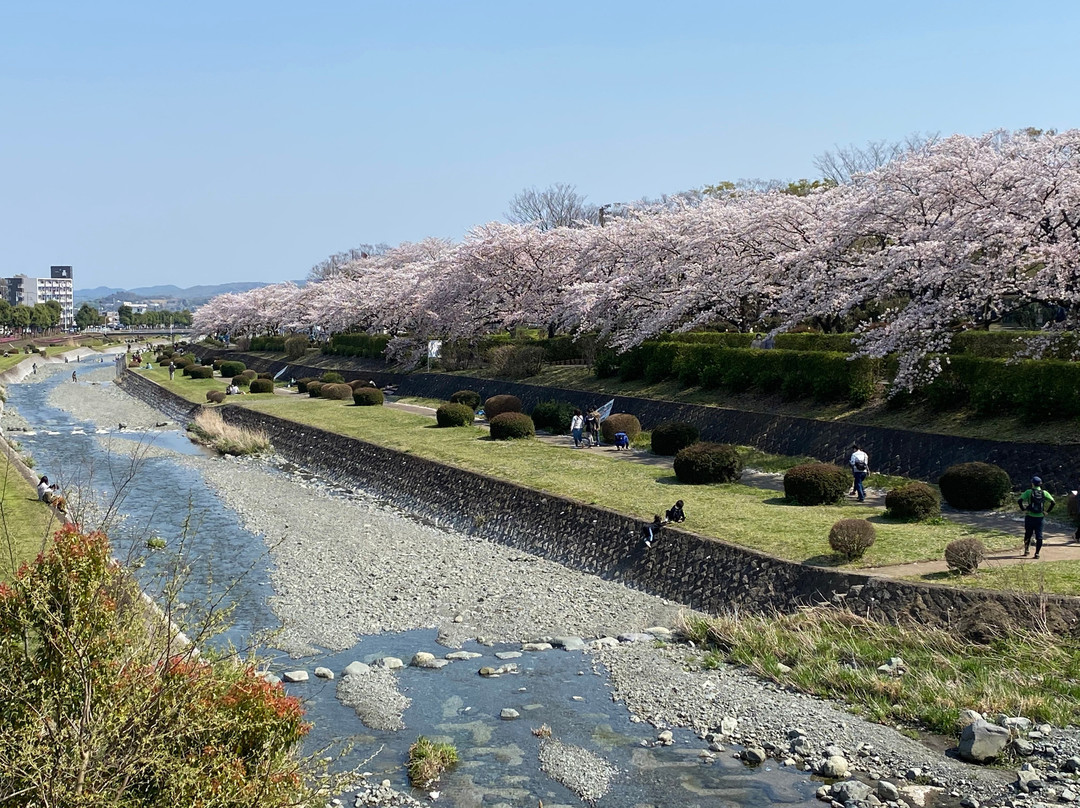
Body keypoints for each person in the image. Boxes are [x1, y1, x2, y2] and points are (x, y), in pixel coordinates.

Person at [1018, 476, 1055, 559]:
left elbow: (1019, 501)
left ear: (1032, 483)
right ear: (1040, 484)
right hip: (1040, 518)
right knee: (1039, 536)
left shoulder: (1028, 492)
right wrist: (1047, 512)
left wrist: (1023, 509)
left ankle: (1026, 550)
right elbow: (1053, 502)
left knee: (1028, 534)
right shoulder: (1044, 492)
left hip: (1030, 516)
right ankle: (1037, 553)